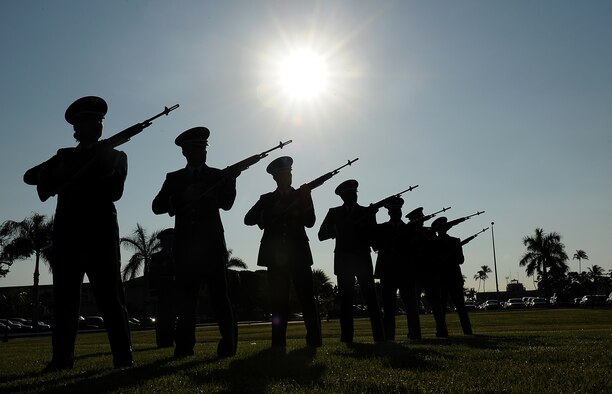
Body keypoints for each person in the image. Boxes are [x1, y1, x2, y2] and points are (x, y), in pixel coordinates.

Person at [23, 96, 133, 371]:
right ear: (76, 129)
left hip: (101, 237)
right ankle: (61, 359)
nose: (96, 126)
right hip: (68, 237)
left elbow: (114, 192)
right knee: (64, 303)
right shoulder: (65, 156)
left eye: (98, 122)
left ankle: (123, 357)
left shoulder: (116, 156)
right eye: (88, 122)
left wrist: (94, 166)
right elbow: (29, 176)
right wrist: (58, 172)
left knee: (111, 300)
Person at [152, 126, 237, 358]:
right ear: (185, 152)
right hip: (186, 250)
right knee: (187, 302)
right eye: (195, 148)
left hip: (211, 247)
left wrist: (230, 182)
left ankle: (228, 345)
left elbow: (227, 203)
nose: (201, 152)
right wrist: (183, 196)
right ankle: (184, 347)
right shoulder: (175, 178)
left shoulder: (218, 176)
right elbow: (157, 206)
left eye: (203, 148)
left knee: (220, 299)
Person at [244, 156, 322, 348]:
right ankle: (278, 344)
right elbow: (248, 219)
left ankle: (314, 340)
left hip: (299, 254)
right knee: (278, 302)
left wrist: (304, 200)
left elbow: (310, 222)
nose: (288, 175)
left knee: (307, 299)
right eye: (284, 173)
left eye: (289, 172)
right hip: (275, 257)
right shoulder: (267, 199)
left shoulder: (301, 194)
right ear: (275, 177)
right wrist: (272, 211)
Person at [318, 179, 384, 343]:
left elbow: (374, 237)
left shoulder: (365, 212)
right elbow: (321, 234)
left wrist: (372, 216)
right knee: (346, 302)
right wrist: (338, 229)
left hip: (362, 258)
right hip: (344, 260)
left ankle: (379, 337)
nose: (353, 196)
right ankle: (347, 338)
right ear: (343, 196)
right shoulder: (334, 213)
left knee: (371, 300)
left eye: (354, 193)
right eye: (349, 194)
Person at [373, 197, 421, 341]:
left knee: (411, 305)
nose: (396, 213)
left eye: (398, 210)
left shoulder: (408, 229)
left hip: (405, 271)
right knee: (388, 307)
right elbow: (375, 245)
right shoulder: (381, 228)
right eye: (394, 211)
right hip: (388, 272)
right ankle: (389, 336)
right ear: (389, 213)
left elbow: (415, 249)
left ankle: (415, 335)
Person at [405, 207, 447, 338]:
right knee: (414, 303)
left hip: (429, 271)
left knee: (435, 303)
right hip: (415, 272)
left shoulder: (428, 232)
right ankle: (414, 331)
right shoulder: (408, 232)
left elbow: (436, 249)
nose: (422, 221)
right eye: (420, 218)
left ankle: (442, 330)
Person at [431, 217, 473, 335]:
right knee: (441, 308)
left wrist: (452, 253)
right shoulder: (434, 243)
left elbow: (461, 260)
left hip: (454, 277)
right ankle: (442, 331)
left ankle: (467, 331)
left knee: (460, 306)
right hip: (441, 278)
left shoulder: (455, 241)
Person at [148, 228, 176, 347]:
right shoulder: (157, 257)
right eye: (166, 240)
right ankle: (164, 342)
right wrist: (154, 294)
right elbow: (153, 278)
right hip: (163, 293)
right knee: (163, 319)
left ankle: (175, 340)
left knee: (174, 318)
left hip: (176, 292)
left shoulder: (179, 255)